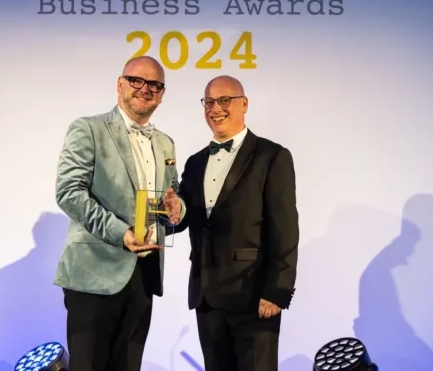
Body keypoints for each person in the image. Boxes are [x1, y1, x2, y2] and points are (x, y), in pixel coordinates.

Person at [53, 56, 185, 371]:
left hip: (144, 275)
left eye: (154, 84)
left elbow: (172, 194)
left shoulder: (165, 143)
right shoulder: (88, 129)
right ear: (120, 84)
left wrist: (177, 208)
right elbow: (69, 192)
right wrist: (121, 233)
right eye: (136, 80)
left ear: (162, 94)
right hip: (94, 275)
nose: (145, 89)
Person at [174, 75, 299, 371]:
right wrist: (172, 212)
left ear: (244, 104)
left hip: (254, 295)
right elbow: (183, 218)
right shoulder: (194, 162)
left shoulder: (272, 156)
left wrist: (277, 290)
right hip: (207, 296)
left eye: (224, 100)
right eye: (209, 102)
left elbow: (284, 229)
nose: (215, 108)